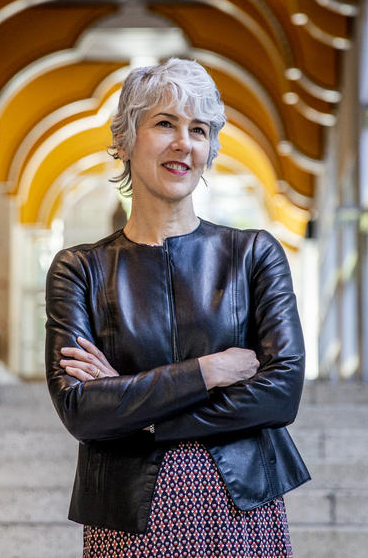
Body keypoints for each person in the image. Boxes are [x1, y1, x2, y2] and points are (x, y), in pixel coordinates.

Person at [45, 58, 309, 557]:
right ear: (123, 140)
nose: (183, 142)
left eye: (199, 130)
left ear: (209, 150)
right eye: (164, 123)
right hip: (128, 517)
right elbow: (81, 409)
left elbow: (282, 393)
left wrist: (134, 410)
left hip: (241, 506)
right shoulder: (79, 268)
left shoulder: (254, 254)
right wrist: (209, 370)